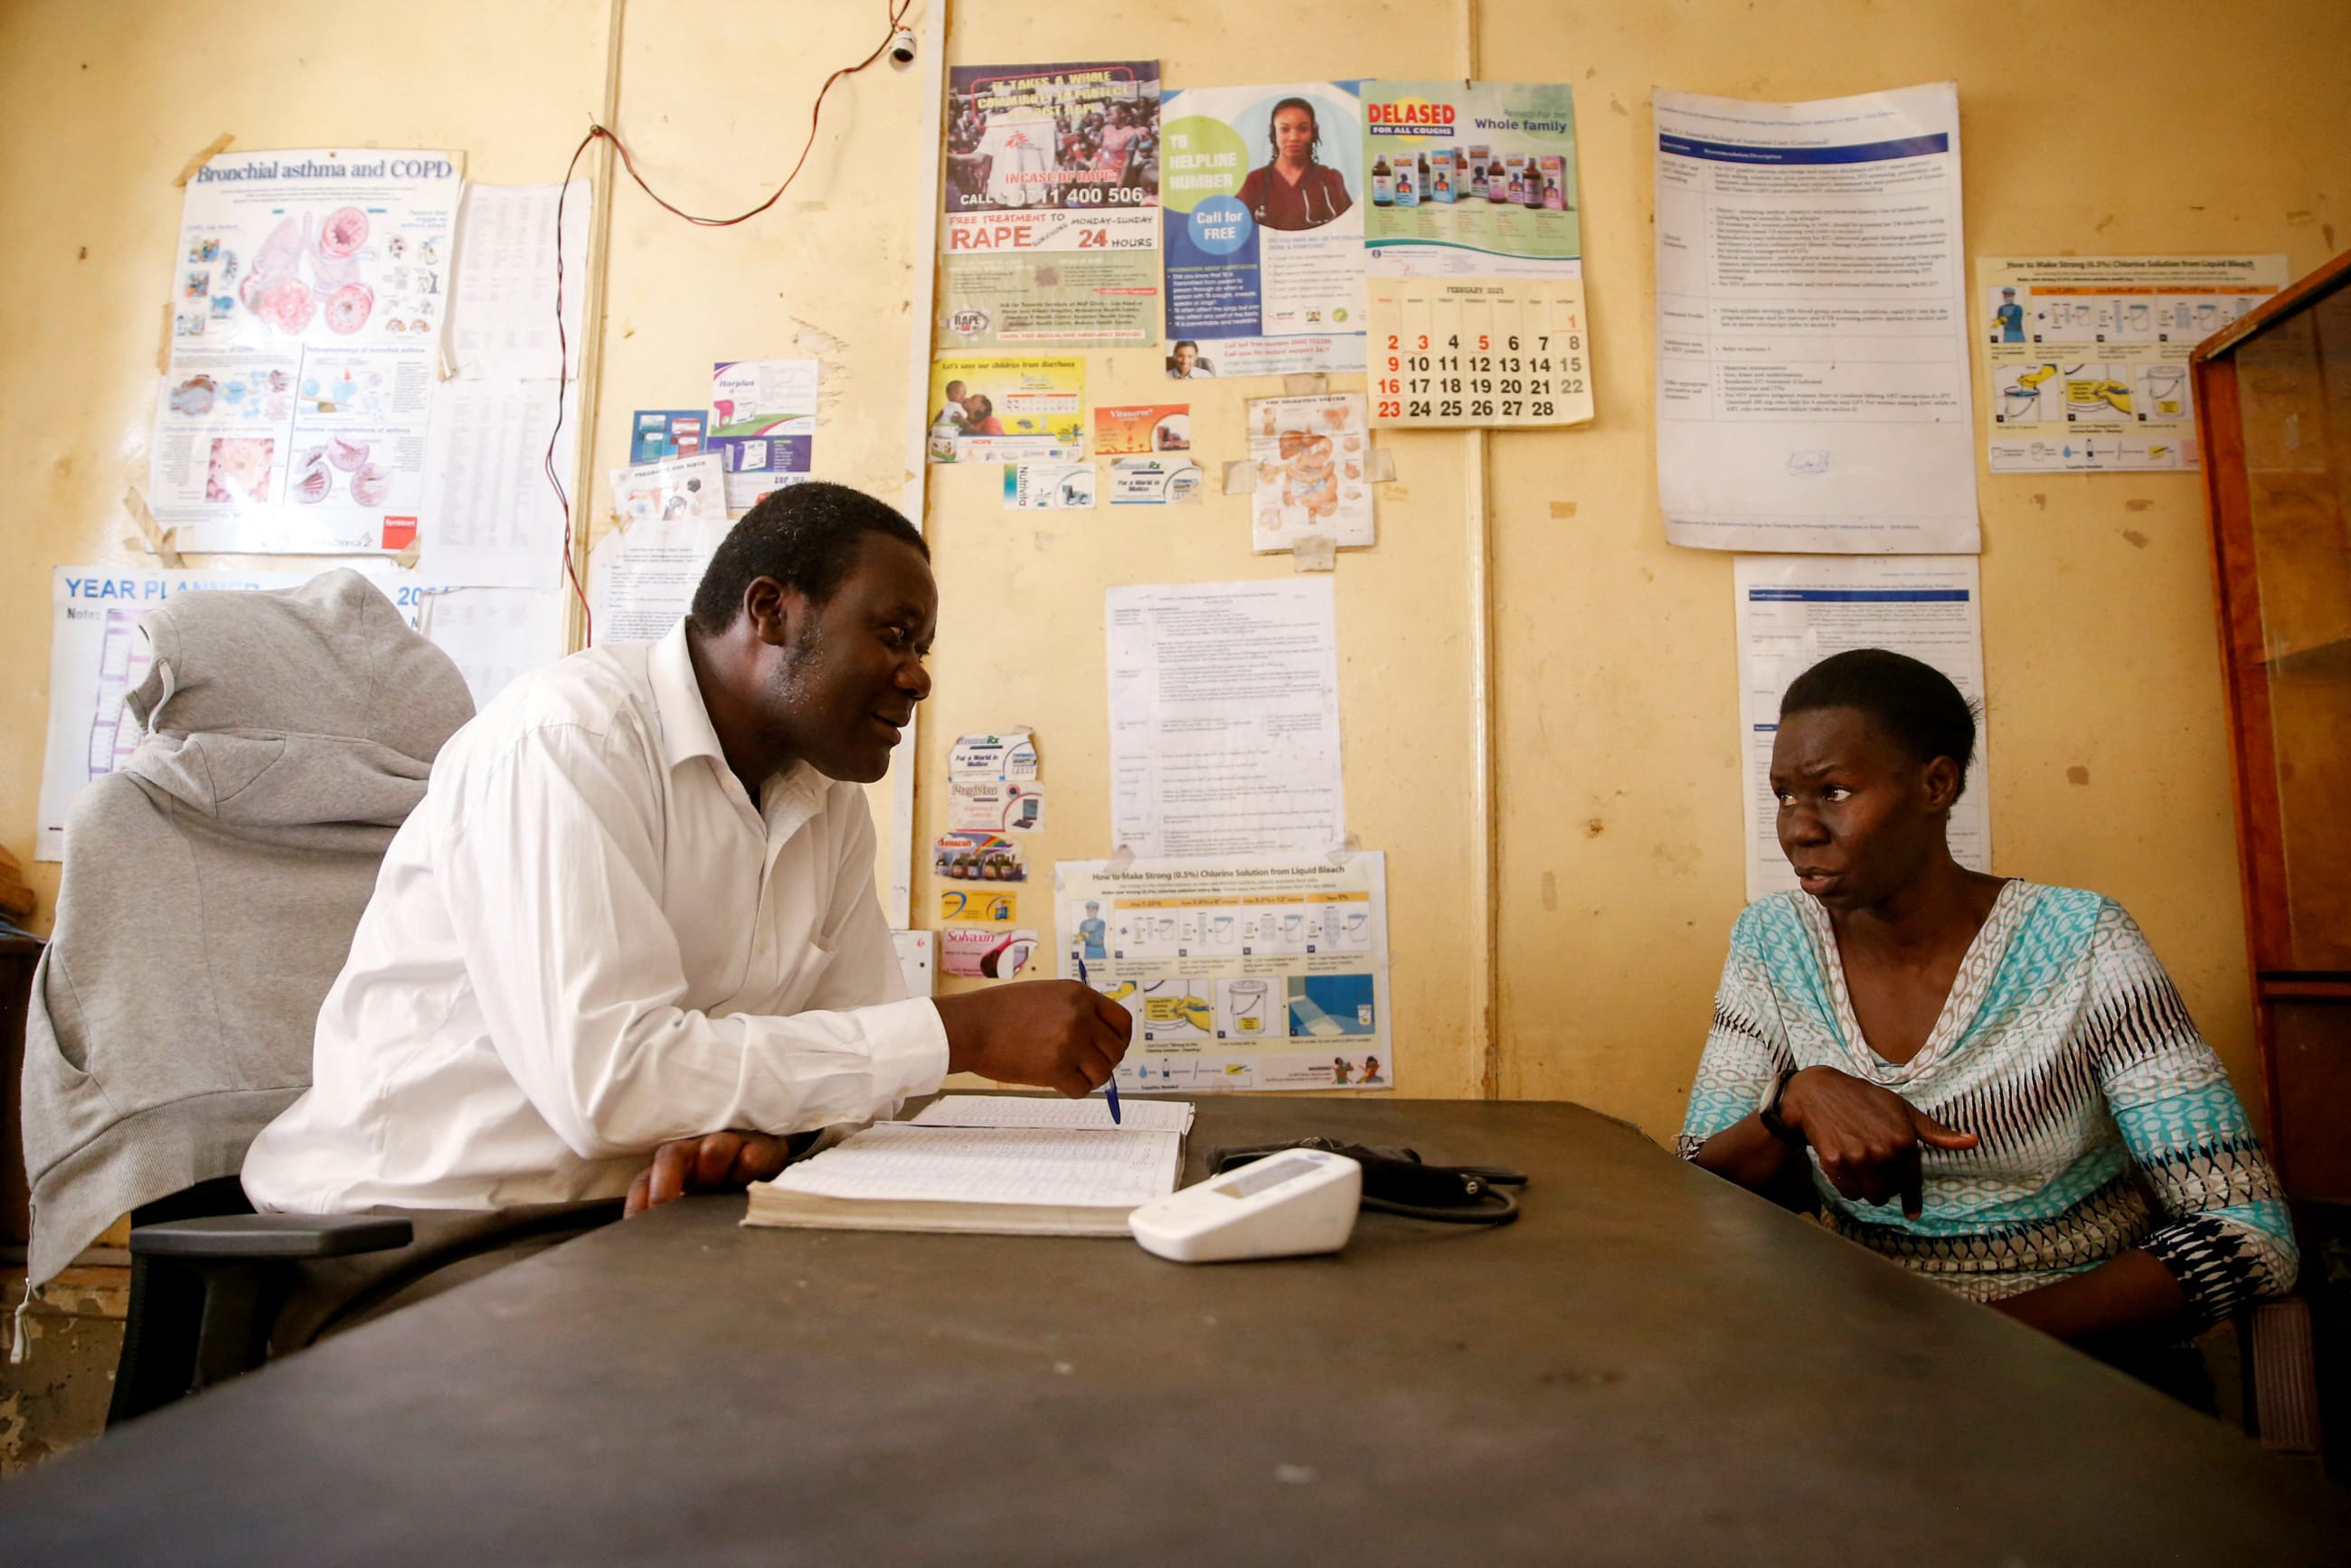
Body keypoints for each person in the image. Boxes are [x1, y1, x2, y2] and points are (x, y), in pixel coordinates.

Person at [243, 483, 1133, 1218]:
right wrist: (961, 1030)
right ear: (769, 611)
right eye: (895, 634)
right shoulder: (566, 742)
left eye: (923, 648)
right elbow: (615, 1085)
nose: (918, 675)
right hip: (412, 1233)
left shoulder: (822, 804)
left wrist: (769, 1137)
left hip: (630, 1223)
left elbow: (853, 1065)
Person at [1677, 648, 2295, 1403]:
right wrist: (1793, 1102)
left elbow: (2248, 1233)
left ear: (1937, 785)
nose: (1800, 829)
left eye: (1834, 792)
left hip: (2083, 1371)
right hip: (1866, 1368)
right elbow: (1695, 1201)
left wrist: (1968, 1340)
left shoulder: (2081, 941)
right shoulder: (1774, 943)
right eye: (1783, 797)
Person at [1235, 97, 1353, 232]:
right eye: (1284, 129)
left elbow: (1349, 230)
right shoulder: (1252, 183)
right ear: (1274, 134)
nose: (1294, 137)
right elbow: (1240, 237)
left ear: (1312, 133)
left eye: (1303, 129)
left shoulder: (1330, 179)